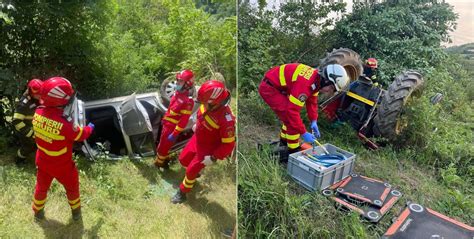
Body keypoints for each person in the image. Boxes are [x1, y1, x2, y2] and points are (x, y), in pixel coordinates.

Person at [31, 77, 94, 221]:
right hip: (62, 166)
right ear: (61, 100)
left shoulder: (38, 112)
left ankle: (38, 212)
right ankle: (76, 213)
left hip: (42, 161)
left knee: (41, 188)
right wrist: (90, 128)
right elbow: (80, 135)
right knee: (72, 188)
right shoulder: (65, 124)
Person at [258, 63, 349, 158]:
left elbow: (312, 102)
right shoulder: (306, 84)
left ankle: (283, 143)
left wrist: (314, 120)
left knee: (289, 120)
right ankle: (292, 151)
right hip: (270, 89)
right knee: (291, 120)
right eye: (331, 88)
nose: (329, 92)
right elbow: (292, 111)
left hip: (277, 87)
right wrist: (303, 132)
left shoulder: (316, 79)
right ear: (326, 80)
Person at [171, 80, 236, 204]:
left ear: (214, 103)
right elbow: (201, 114)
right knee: (183, 159)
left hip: (208, 149)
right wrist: (196, 124)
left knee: (191, 170)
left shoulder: (226, 120)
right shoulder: (207, 104)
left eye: (205, 103)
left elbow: (229, 144)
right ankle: (193, 176)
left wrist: (213, 157)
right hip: (197, 139)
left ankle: (182, 193)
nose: (203, 105)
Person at [154, 70, 195, 168]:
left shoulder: (188, 101)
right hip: (166, 124)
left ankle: (159, 164)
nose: (177, 83)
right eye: (177, 80)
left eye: (180, 81)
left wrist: (174, 133)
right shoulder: (177, 93)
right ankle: (166, 159)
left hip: (171, 129)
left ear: (187, 83)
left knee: (162, 148)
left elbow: (183, 121)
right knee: (164, 146)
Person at [12, 79, 42, 165]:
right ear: (31, 93)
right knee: (28, 148)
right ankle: (19, 159)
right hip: (25, 131)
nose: (41, 95)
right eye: (38, 94)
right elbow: (16, 121)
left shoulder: (36, 99)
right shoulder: (24, 104)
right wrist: (30, 133)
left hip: (35, 129)